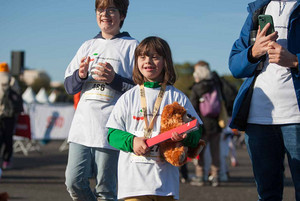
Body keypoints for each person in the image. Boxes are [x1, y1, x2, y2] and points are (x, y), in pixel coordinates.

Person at [106, 36, 203, 201]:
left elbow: (196, 131)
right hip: (133, 185)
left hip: (165, 185)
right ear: (136, 61)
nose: (148, 61)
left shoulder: (177, 97)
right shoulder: (128, 97)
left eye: (155, 57)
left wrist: (184, 138)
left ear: (166, 61)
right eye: (142, 57)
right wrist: (132, 141)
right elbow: (112, 134)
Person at [64, 0, 139, 200]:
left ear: (122, 15)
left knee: (106, 190)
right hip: (81, 128)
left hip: (111, 128)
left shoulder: (133, 46)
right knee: (73, 183)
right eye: (100, 10)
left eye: (111, 10)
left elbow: (140, 91)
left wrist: (114, 80)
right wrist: (80, 75)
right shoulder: (87, 45)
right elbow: (69, 87)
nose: (104, 14)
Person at [229, 0, 300, 200]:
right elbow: (235, 65)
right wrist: (253, 52)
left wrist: (295, 61)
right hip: (258, 118)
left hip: (296, 116)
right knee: (267, 194)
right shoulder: (257, 10)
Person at [189, 61, 225, 187]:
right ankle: (216, 177)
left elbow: (192, 108)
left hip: (201, 126)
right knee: (216, 153)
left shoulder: (197, 87)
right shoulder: (216, 85)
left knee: (198, 153)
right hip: (216, 124)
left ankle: (200, 177)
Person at [0, 62, 21, 170]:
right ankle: (6, 160)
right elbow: (18, 94)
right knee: (8, 137)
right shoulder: (11, 80)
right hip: (9, 114)